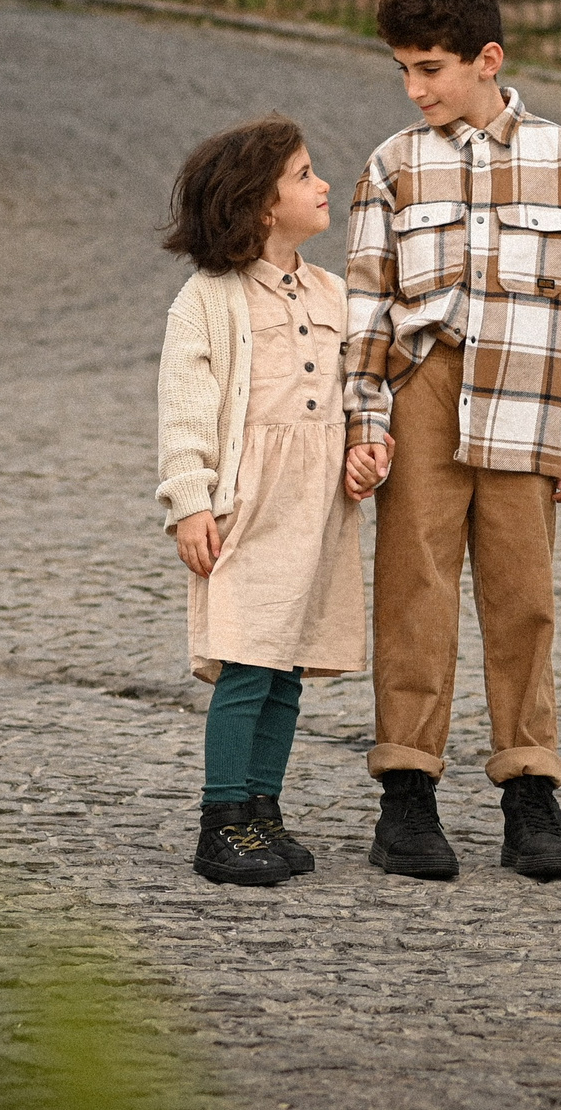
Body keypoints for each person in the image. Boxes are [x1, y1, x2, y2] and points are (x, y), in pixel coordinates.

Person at [340, 0, 561, 882]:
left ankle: (530, 793)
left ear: (486, 59)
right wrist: (364, 416)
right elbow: (366, 306)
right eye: (404, 71)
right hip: (424, 390)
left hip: (528, 397)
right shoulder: (391, 165)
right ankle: (407, 794)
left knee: (522, 597)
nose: (414, 88)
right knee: (414, 589)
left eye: (430, 68)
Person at [155, 114, 375, 885]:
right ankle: (221, 820)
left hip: (315, 506)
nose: (323, 185)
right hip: (250, 502)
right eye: (306, 174)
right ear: (259, 205)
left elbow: (358, 394)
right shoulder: (209, 299)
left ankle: (261, 808)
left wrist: (363, 448)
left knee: (287, 665)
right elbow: (185, 407)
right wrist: (190, 501)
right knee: (247, 658)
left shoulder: (333, 292)